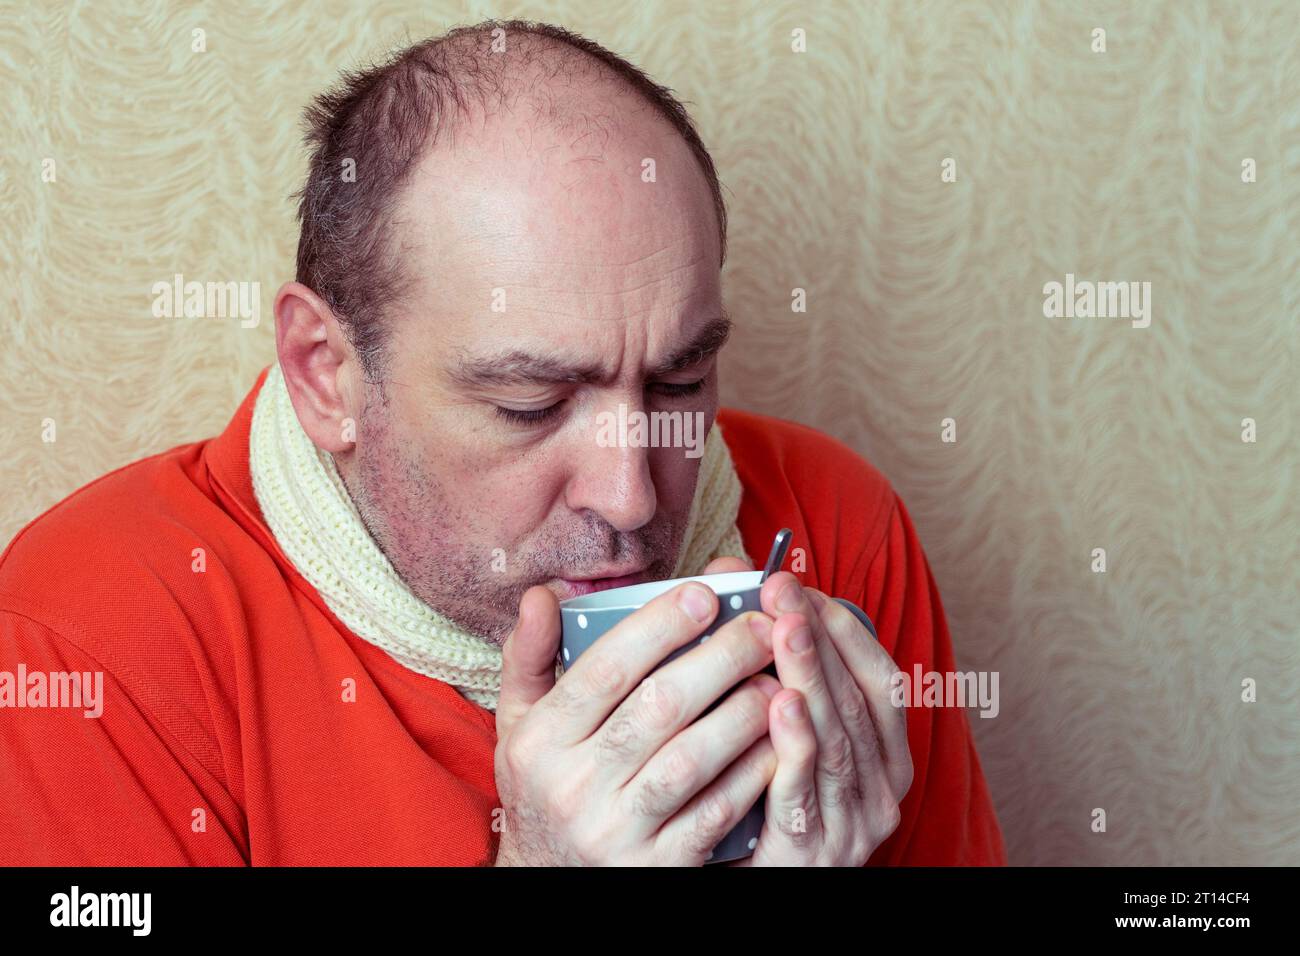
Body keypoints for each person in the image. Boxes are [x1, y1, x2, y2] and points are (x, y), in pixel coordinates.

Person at [0, 19, 1005, 866]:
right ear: (327, 374)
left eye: (680, 379)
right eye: (530, 401)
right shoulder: (90, 643)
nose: (631, 496)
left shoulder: (835, 525)